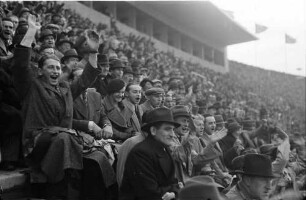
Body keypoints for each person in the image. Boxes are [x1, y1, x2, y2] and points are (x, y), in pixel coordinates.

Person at [11, 15, 101, 199]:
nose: (55, 71)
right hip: (36, 143)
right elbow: (20, 64)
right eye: (51, 68)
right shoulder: (31, 85)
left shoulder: (65, 88)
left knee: (82, 149)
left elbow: (85, 79)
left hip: (60, 144)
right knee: (65, 138)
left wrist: (93, 51)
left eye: (58, 68)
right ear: (40, 70)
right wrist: (32, 31)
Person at [120, 107, 181, 200]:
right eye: (167, 129)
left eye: (173, 129)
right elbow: (149, 193)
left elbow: (173, 183)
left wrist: (174, 192)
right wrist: (175, 191)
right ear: (153, 131)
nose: (172, 134)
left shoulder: (164, 149)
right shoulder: (141, 153)